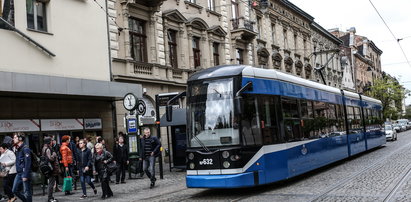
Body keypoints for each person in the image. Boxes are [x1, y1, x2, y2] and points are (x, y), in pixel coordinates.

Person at [12, 132, 32, 202]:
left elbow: (28, 163)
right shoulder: (18, 149)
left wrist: (25, 175)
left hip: (24, 173)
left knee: (27, 192)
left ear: (20, 138)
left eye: (15, 137)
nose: (13, 139)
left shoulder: (25, 149)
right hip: (19, 173)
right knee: (14, 190)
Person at [42, 137, 60, 202]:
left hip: (49, 168)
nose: (52, 142)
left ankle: (51, 197)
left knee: (51, 183)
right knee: (51, 184)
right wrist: (54, 155)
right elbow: (50, 159)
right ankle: (50, 198)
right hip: (51, 168)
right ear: (49, 142)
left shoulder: (44, 148)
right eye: (51, 141)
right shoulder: (48, 149)